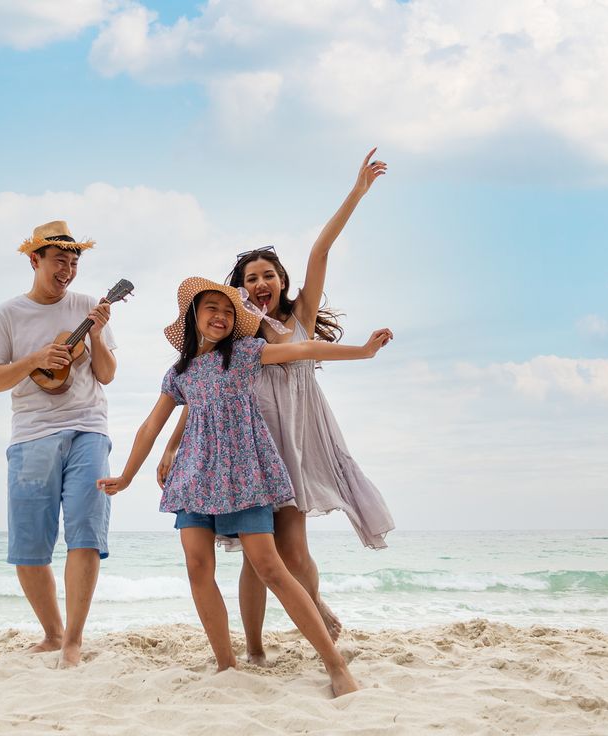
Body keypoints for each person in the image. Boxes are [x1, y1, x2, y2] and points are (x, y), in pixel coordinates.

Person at [97, 277, 392, 697]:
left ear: (235, 321)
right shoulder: (178, 373)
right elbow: (151, 425)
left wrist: (363, 351)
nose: (219, 315)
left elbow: (304, 349)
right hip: (194, 478)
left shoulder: (246, 354)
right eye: (210, 308)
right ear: (193, 318)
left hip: (245, 476)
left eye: (227, 309)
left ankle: (336, 666)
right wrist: (126, 476)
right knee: (198, 568)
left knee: (270, 568)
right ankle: (226, 664)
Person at [157, 149, 394, 665]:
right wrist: (173, 447)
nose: (260, 284)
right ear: (239, 291)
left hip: (303, 438)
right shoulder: (236, 341)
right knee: (257, 555)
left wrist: (357, 190)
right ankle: (259, 647)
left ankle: (317, 621)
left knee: (293, 551)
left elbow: (322, 248)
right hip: (252, 448)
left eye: (268, 275)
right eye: (250, 279)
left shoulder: (300, 321)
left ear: (282, 281)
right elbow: (198, 397)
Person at [0, 220, 117, 668]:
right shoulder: (7, 315)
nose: (68, 271)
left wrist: (94, 334)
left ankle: (73, 641)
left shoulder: (89, 306)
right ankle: (53, 634)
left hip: (88, 427)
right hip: (31, 433)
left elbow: (108, 375)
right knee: (30, 544)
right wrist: (35, 359)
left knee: (86, 532)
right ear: (34, 260)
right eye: (60, 261)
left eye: (74, 263)